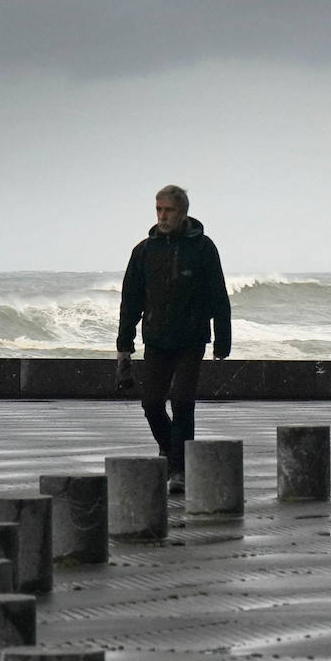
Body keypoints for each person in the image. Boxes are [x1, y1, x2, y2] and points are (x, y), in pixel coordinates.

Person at [116, 185, 231, 493]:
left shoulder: (204, 248)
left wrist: (223, 340)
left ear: (183, 213)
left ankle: (179, 470)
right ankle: (172, 451)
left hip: (192, 339)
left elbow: (218, 296)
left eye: (169, 210)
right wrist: (124, 346)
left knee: (182, 402)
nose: (163, 216)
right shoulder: (144, 251)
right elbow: (130, 300)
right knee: (151, 404)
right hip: (156, 340)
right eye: (159, 210)